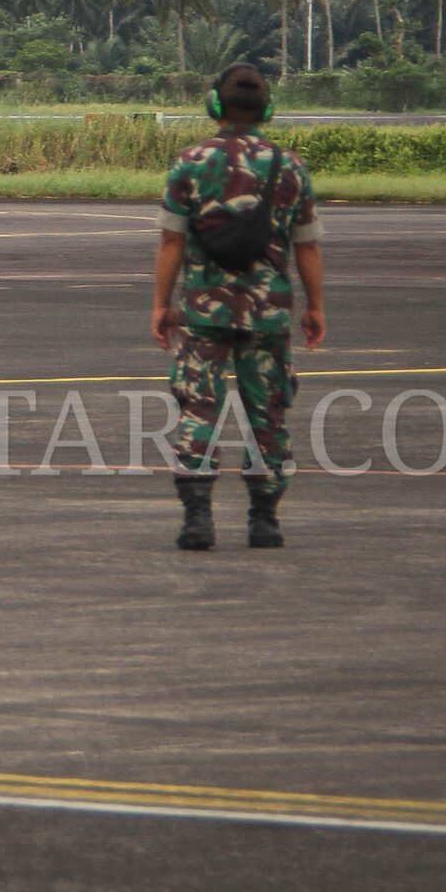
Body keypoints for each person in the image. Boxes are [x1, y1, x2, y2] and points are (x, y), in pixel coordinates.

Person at [150, 62, 326, 550]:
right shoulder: (290, 167)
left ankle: (197, 517)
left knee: (199, 408)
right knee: (267, 412)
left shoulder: (189, 162)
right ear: (268, 110)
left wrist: (162, 304)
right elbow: (307, 245)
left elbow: (170, 242)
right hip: (268, 313)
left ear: (214, 105)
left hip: (205, 312)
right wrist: (315, 308)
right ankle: (265, 518)